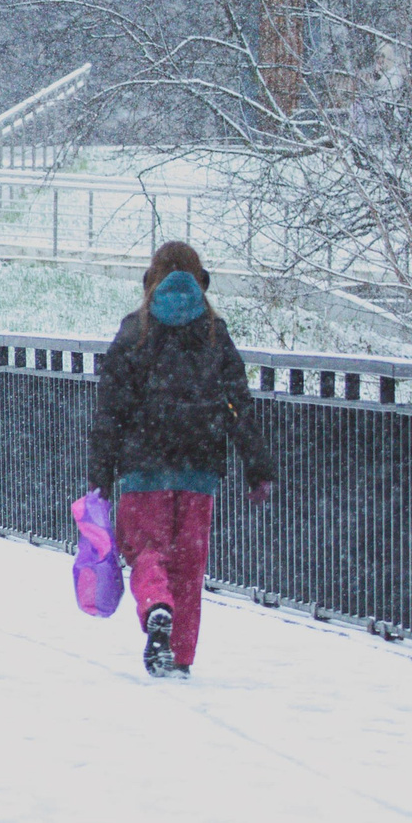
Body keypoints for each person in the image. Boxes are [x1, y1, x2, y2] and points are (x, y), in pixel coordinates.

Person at [85, 241, 277, 678]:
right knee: (190, 566)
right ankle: (182, 658)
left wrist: (100, 475)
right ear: (200, 279)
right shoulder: (213, 332)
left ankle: (156, 604)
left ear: (151, 279)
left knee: (144, 549)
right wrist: (257, 466)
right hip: (200, 466)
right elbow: (238, 404)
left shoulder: (135, 331)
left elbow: (109, 411)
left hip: (142, 465)